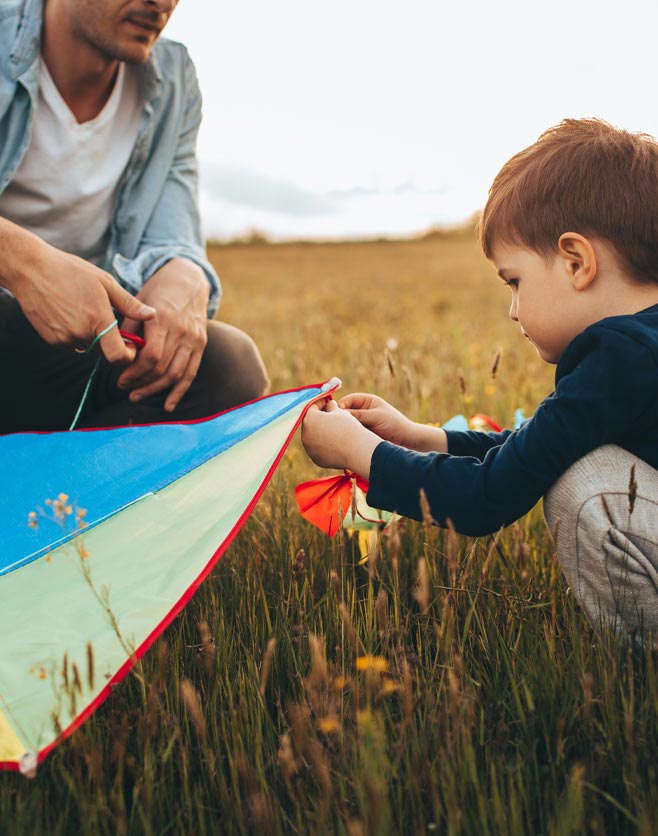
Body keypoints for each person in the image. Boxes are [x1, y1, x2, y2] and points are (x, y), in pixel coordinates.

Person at [302, 118, 658, 640]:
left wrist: (360, 453)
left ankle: (640, 675)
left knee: (585, 489)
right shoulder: (639, 350)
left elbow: (487, 497)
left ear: (577, 261)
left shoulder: (620, 356)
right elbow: (536, 446)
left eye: (515, 282)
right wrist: (428, 439)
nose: (513, 311)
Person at [0, 0, 268, 433]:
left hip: (74, 352)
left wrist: (185, 274)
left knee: (228, 365)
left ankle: (67, 491)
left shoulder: (174, 76)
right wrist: (23, 264)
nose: (161, 3)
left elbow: (173, 226)